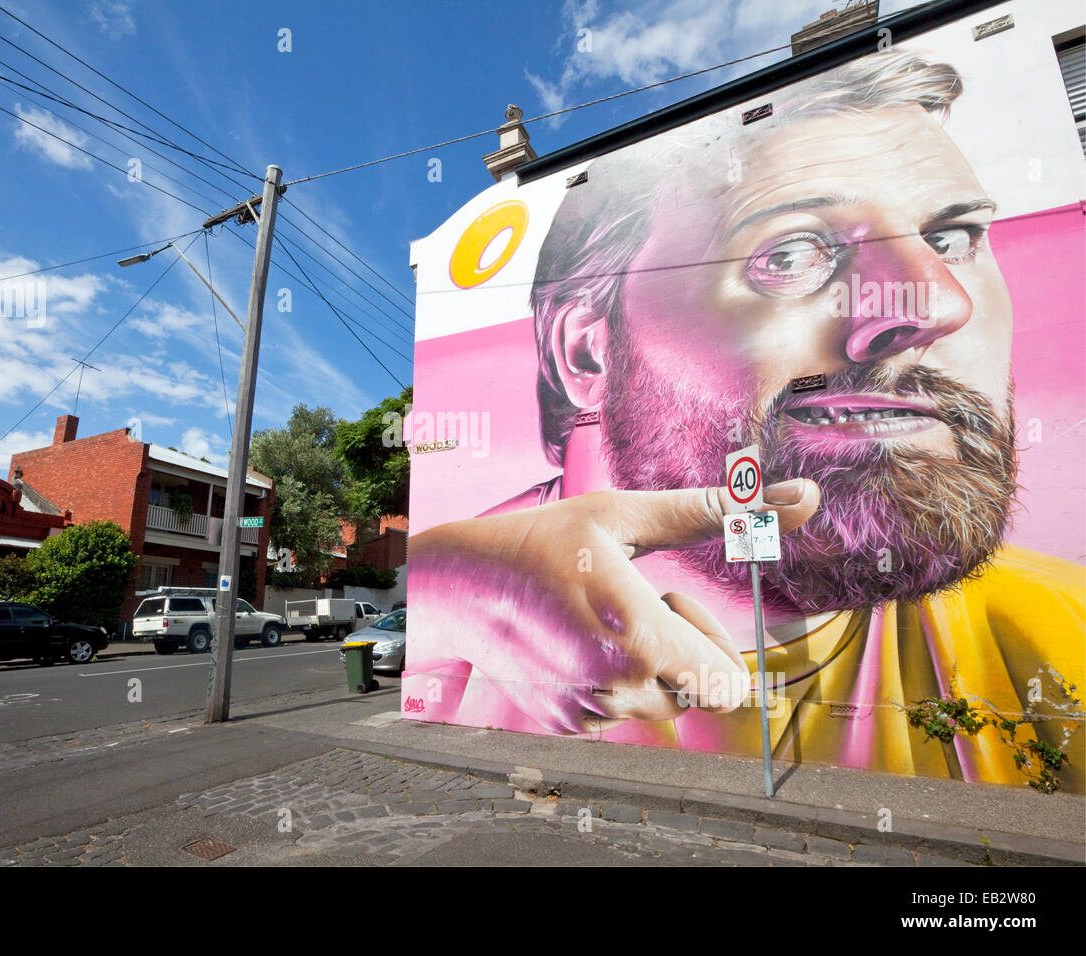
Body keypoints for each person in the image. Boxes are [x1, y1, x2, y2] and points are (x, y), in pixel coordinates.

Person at [406, 51, 1084, 790]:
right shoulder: (453, 633)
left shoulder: (1062, 626)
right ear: (588, 350)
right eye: (791, 252)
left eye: (952, 238)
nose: (937, 305)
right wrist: (441, 579)